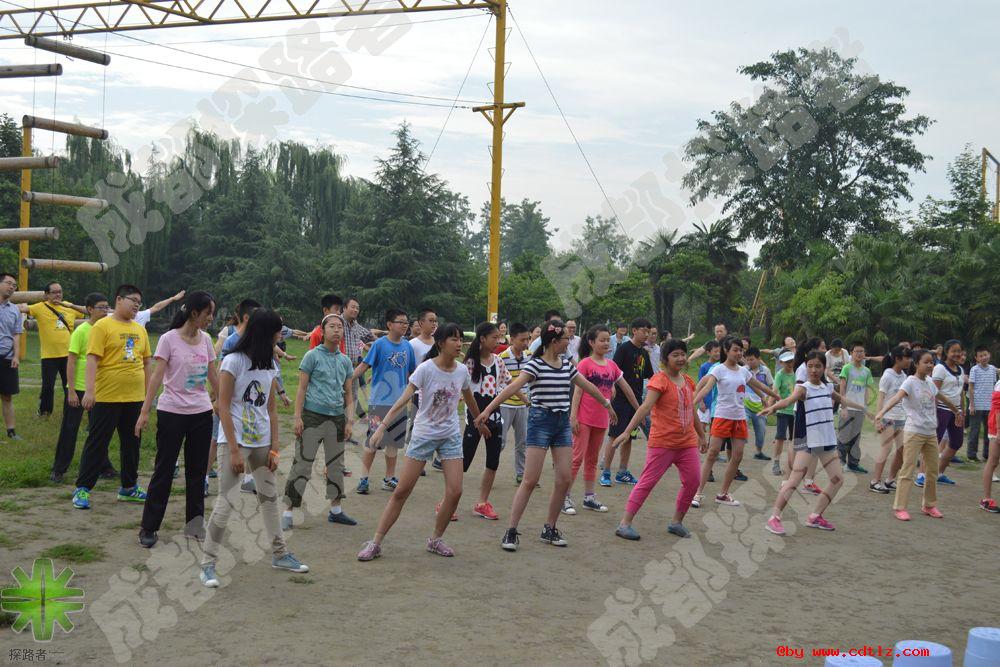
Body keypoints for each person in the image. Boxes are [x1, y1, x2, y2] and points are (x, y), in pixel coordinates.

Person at [474, 320, 615, 552]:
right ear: (554, 341)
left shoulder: (567, 365)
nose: (569, 342)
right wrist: (487, 411)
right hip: (540, 422)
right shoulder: (536, 364)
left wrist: (606, 404)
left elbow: (588, 385)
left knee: (564, 479)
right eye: (566, 339)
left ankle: (549, 528)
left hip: (561, 424)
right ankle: (511, 530)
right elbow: (511, 388)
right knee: (530, 480)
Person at [199, 309, 309, 588]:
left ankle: (280, 554)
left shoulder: (268, 363)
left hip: (262, 441)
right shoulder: (233, 361)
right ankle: (207, 564)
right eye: (277, 332)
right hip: (235, 441)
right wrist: (234, 450)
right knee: (226, 502)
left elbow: (271, 409)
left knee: (269, 498)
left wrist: (275, 447)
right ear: (264, 333)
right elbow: (223, 407)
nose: (280, 337)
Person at [356, 323, 486, 561]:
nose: (459, 344)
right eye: (454, 339)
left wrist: (479, 421)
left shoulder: (461, 371)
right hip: (424, 435)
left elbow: (469, 398)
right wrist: (381, 427)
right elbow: (403, 399)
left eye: (460, 339)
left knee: (455, 491)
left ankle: (435, 540)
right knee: (402, 491)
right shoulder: (426, 369)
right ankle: (375, 542)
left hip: (450, 436)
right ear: (441, 343)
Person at [135, 291, 219, 548]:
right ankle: (149, 527)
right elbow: (156, 377)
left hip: (201, 413)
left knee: (197, 472)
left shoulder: (206, 340)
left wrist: (224, 403)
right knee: (163, 471)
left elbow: (213, 376)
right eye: (208, 313)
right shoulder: (168, 339)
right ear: (194, 313)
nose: (211, 318)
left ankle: (194, 525)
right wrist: (145, 411)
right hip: (172, 412)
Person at [761, 351, 872, 535]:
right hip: (809, 442)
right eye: (810, 366)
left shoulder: (827, 388)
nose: (814, 370)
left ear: (824, 368)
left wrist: (864, 410)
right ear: (806, 367)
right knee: (794, 481)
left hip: (827, 440)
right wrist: (772, 407)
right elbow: (788, 401)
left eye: (818, 366)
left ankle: (815, 516)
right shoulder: (803, 389)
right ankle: (774, 518)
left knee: (837, 479)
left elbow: (843, 399)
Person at [612, 338, 706, 541]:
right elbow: (645, 407)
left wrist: (701, 435)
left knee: (693, 481)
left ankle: (676, 522)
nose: (680, 358)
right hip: (663, 443)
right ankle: (624, 524)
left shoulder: (688, 381)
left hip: (687, 443)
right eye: (675, 355)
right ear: (665, 358)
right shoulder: (659, 381)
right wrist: (627, 431)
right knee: (647, 482)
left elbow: (692, 411)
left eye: (683, 354)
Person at [72, 285, 152, 510]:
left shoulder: (140, 330)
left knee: (132, 443)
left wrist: (148, 395)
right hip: (107, 397)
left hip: (134, 397)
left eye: (139, 302)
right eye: (133, 300)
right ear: (119, 299)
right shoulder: (102, 326)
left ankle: (129, 487)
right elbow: (92, 359)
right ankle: (83, 488)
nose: (136, 305)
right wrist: (89, 391)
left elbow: (147, 363)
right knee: (98, 442)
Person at [282, 313, 357, 530]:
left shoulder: (345, 361)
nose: (336, 330)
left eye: (340, 327)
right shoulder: (312, 356)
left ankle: (336, 510)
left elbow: (349, 393)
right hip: (313, 416)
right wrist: (298, 417)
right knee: (302, 463)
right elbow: (302, 389)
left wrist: (349, 421)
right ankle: (288, 512)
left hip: (337, 418)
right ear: (322, 332)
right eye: (332, 326)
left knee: (336, 464)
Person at [691, 337, 780, 508]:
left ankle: (723, 494)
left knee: (737, 456)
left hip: (739, 418)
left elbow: (757, 385)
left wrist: (774, 397)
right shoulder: (719, 369)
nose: (739, 353)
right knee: (712, 453)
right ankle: (697, 493)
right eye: (735, 350)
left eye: (741, 350)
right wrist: (692, 404)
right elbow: (707, 387)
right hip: (722, 416)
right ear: (726, 350)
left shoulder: (743, 371)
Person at [876, 349, 961, 521]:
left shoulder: (929, 382)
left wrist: (956, 411)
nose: (930, 365)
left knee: (932, 471)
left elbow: (942, 397)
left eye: (932, 362)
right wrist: (881, 413)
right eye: (926, 362)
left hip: (930, 433)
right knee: (907, 470)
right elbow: (896, 398)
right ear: (916, 364)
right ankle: (900, 507)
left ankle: (929, 505)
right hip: (914, 432)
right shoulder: (909, 382)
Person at [565, 325, 639, 515]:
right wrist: (573, 417)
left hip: (601, 420)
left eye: (608, 340)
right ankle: (564, 497)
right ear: (591, 342)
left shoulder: (612, 366)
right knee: (576, 458)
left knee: (592, 460)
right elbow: (578, 392)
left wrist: (640, 410)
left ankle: (589, 497)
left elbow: (627, 388)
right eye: (602, 340)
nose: (606, 343)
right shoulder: (585, 364)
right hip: (583, 419)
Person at [456, 322, 521, 521]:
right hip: (475, 419)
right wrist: (478, 421)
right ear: (482, 339)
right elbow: (464, 392)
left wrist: (525, 399)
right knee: (463, 462)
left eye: (499, 338)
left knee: (493, 462)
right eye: (494, 338)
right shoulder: (470, 364)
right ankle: (448, 502)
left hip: (495, 418)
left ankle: (482, 503)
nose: (498, 341)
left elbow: (510, 383)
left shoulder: (498, 362)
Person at [352, 309, 416, 494]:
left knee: (393, 443)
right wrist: (347, 381)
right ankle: (363, 479)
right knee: (373, 441)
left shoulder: (408, 347)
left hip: (399, 404)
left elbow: (413, 373)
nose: (404, 326)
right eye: (400, 322)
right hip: (379, 402)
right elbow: (364, 366)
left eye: (406, 323)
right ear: (389, 324)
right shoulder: (379, 344)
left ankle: (388, 479)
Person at [51, 293, 110, 483]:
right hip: (78, 388)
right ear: (90, 309)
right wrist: (71, 390)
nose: (105, 311)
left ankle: (103, 466)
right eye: (101, 307)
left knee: (99, 430)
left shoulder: (107, 330)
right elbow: (71, 361)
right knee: (70, 429)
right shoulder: (81, 331)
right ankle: (59, 469)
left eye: (107, 307)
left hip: (99, 388)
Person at [600, 318, 653, 487]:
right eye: (644, 331)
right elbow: (612, 370)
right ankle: (606, 472)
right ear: (634, 331)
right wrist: (611, 388)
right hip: (621, 401)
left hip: (636, 401)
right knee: (615, 436)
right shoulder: (624, 349)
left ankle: (622, 472)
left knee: (629, 437)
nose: (646, 334)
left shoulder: (644, 353)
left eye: (648, 332)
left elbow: (650, 376)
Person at [26, 282, 86, 418]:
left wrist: (71, 306)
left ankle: (69, 411)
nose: (58, 294)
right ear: (47, 294)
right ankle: (45, 412)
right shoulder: (40, 307)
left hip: (69, 355)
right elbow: (23, 308)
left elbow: (88, 310)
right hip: (49, 355)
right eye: (54, 292)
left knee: (69, 385)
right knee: (48, 386)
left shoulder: (68, 306)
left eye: (60, 291)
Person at [921, 339, 965, 487]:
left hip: (956, 411)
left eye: (959, 351)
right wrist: (932, 413)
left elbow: (960, 393)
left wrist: (962, 411)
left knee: (957, 442)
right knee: (933, 442)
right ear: (947, 352)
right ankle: (922, 475)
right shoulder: (940, 368)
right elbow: (934, 392)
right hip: (941, 409)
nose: (957, 354)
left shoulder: (961, 369)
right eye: (954, 351)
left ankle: (939, 473)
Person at [871, 346, 912, 494]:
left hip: (901, 418)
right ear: (897, 359)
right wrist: (878, 419)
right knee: (886, 449)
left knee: (902, 450)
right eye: (907, 357)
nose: (909, 360)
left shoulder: (904, 376)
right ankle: (875, 482)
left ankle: (890, 479)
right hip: (888, 418)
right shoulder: (888, 375)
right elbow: (881, 398)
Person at [499, 322, 532, 485]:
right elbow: (501, 382)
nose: (525, 343)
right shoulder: (502, 358)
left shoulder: (530, 356)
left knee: (522, 441)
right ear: (512, 339)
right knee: (500, 441)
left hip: (522, 406)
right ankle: (491, 467)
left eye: (527, 339)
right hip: (505, 405)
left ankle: (521, 473)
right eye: (522, 340)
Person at [837, 342, 875, 473]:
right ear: (851, 353)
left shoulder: (867, 371)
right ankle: (840, 463)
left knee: (855, 437)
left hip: (859, 410)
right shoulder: (847, 368)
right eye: (856, 351)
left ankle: (853, 464)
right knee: (844, 436)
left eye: (861, 351)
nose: (859, 354)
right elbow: (842, 388)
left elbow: (866, 390)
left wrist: (865, 407)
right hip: (847, 408)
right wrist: (843, 407)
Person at [0, 273, 22, 442]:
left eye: (14, 285)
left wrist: (16, 355)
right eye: (8, 283)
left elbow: (16, 334)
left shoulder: (15, 310)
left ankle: (11, 431)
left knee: (7, 396)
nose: (12, 287)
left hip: (7, 357)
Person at [743, 347, 774, 461]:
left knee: (761, 431)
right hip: (745, 405)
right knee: (742, 426)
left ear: (758, 359)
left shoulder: (765, 371)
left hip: (761, 407)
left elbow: (772, 386)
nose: (749, 362)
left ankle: (758, 452)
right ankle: (738, 449)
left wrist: (769, 402)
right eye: (747, 360)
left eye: (752, 359)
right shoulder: (743, 370)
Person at [967, 345, 996, 462]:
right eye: (981, 356)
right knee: (975, 431)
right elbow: (971, 388)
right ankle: (971, 455)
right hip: (977, 405)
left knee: (989, 432)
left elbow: (994, 387)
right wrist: (972, 405)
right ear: (976, 358)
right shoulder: (974, 369)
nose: (984, 357)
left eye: (985, 355)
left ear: (989, 355)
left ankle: (987, 454)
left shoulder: (992, 369)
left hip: (990, 406)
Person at [770, 351, 796, 476]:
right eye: (787, 362)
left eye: (791, 361)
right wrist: (771, 406)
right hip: (783, 411)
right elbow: (774, 391)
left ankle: (793, 464)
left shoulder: (797, 373)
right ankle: (776, 463)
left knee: (794, 439)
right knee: (780, 437)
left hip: (795, 411)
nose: (790, 364)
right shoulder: (780, 375)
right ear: (781, 362)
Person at [981, 376, 1000, 512]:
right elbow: (998, 408)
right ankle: (986, 499)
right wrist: (999, 430)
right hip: (996, 428)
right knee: (993, 461)